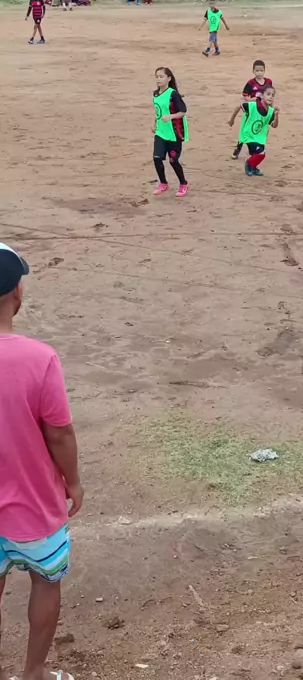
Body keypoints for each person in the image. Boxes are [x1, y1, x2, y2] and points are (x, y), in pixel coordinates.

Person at [0, 242, 83, 680]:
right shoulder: (39, 358)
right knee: (45, 581)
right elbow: (59, 433)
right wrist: (73, 481)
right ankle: (34, 673)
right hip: (35, 504)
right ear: (18, 293)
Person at [152, 67, 189, 198]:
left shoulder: (173, 94)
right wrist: (154, 123)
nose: (158, 79)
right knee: (157, 158)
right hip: (161, 132)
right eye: (157, 77)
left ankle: (183, 183)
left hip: (174, 133)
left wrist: (171, 117)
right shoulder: (156, 94)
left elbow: (183, 111)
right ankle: (163, 183)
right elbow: (158, 110)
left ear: (169, 78)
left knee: (173, 160)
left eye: (161, 76)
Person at [228, 85, 279, 177]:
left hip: (259, 137)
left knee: (261, 155)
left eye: (273, 95)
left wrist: (276, 116)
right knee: (260, 153)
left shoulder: (271, 111)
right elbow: (238, 106)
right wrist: (232, 120)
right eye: (268, 94)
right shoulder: (252, 106)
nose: (271, 97)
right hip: (248, 135)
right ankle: (249, 163)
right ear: (261, 95)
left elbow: (274, 125)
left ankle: (253, 168)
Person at [232, 60, 273, 159]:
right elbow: (245, 95)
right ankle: (238, 147)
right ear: (253, 71)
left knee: (261, 128)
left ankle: (258, 147)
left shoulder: (268, 82)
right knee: (245, 130)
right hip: (252, 110)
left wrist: (271, 108)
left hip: (263, 110)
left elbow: (270, 95)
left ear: (264, 71)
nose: (259, 73)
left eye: (261, 70)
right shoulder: (251, 83)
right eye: (257, 70)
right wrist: (250, 100)